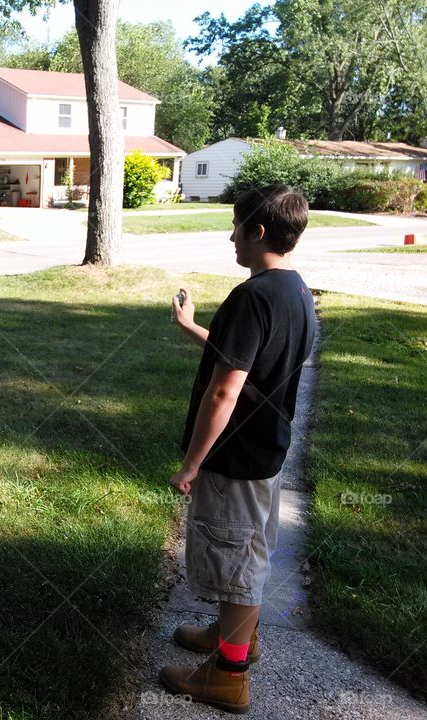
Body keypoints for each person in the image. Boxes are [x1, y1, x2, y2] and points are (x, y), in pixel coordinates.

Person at [161, 185, 316, 714]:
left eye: (236, 226)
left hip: (236, 455)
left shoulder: (252, 297)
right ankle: (234, 636)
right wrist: (191, 327)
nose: (231, 237)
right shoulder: (295, 291)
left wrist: (192, 463)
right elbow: (245, 358)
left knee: (237, 564)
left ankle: (229, 676)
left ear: (259, 231)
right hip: (265, 451)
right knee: (246, 552)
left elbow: (224, 391)